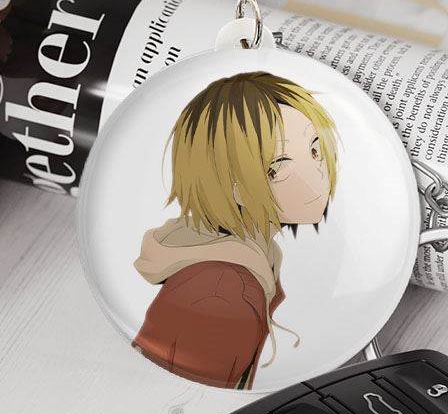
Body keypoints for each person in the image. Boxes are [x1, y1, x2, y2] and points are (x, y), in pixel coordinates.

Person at [133, 70, 338, 389]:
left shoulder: (248, 261)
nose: (316, 177)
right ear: (233, 186)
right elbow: (179, 400)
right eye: (277, 168)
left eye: (314, 150)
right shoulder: (223, 292)